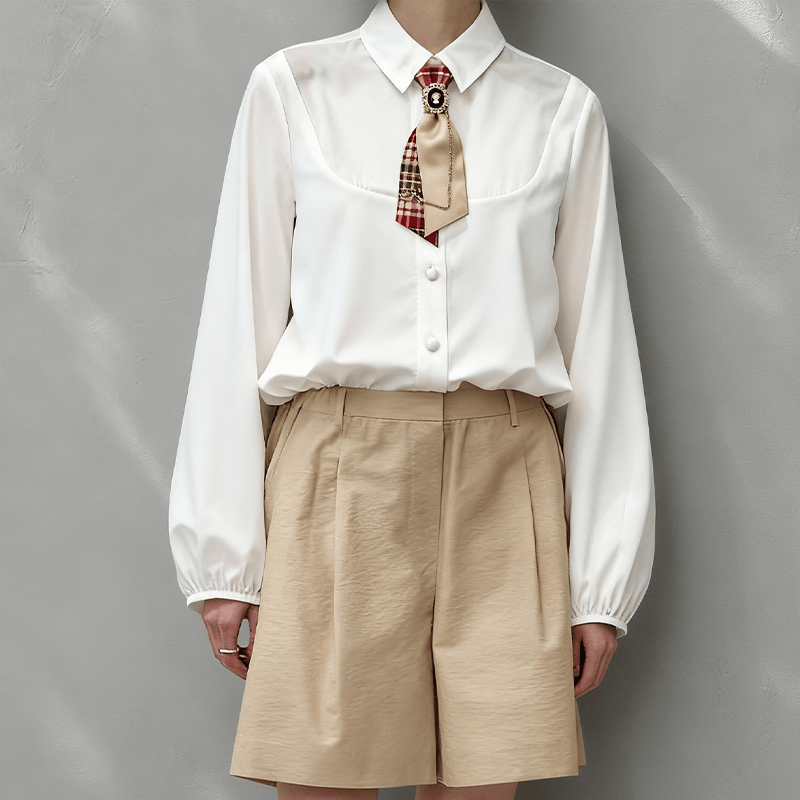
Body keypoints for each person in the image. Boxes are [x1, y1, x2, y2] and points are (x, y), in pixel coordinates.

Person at [167, 0, 656, 798]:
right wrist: (225, 559)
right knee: (324, 779)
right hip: (336, 475)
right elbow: (238, 317)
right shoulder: (294, 87)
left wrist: (602, 577)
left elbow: (598, 342)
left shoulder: (561, 107)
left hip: (506, 483)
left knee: (485, 781)